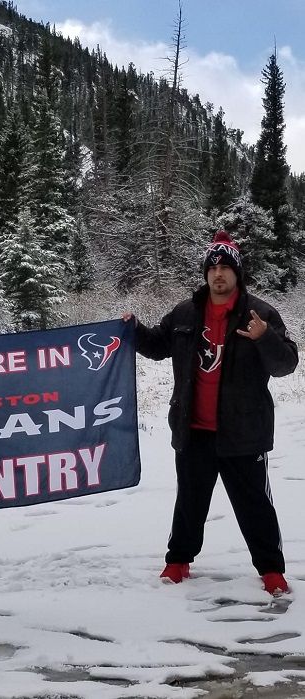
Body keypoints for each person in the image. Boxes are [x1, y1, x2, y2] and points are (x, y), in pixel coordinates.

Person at [123, 231, 298, 596]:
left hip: (243, 431)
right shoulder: (186, 313)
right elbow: (158, 346)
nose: (218, 274)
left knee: (255, 505)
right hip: (194, 428)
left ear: (237, 273)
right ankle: (178, 561)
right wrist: (134, 330)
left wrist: (265, 337)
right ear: (206, 273)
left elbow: (286, 364)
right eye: (213, 267)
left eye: (225, 268)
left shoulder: (260, 314)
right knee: (189, 501)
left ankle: (271, 572)